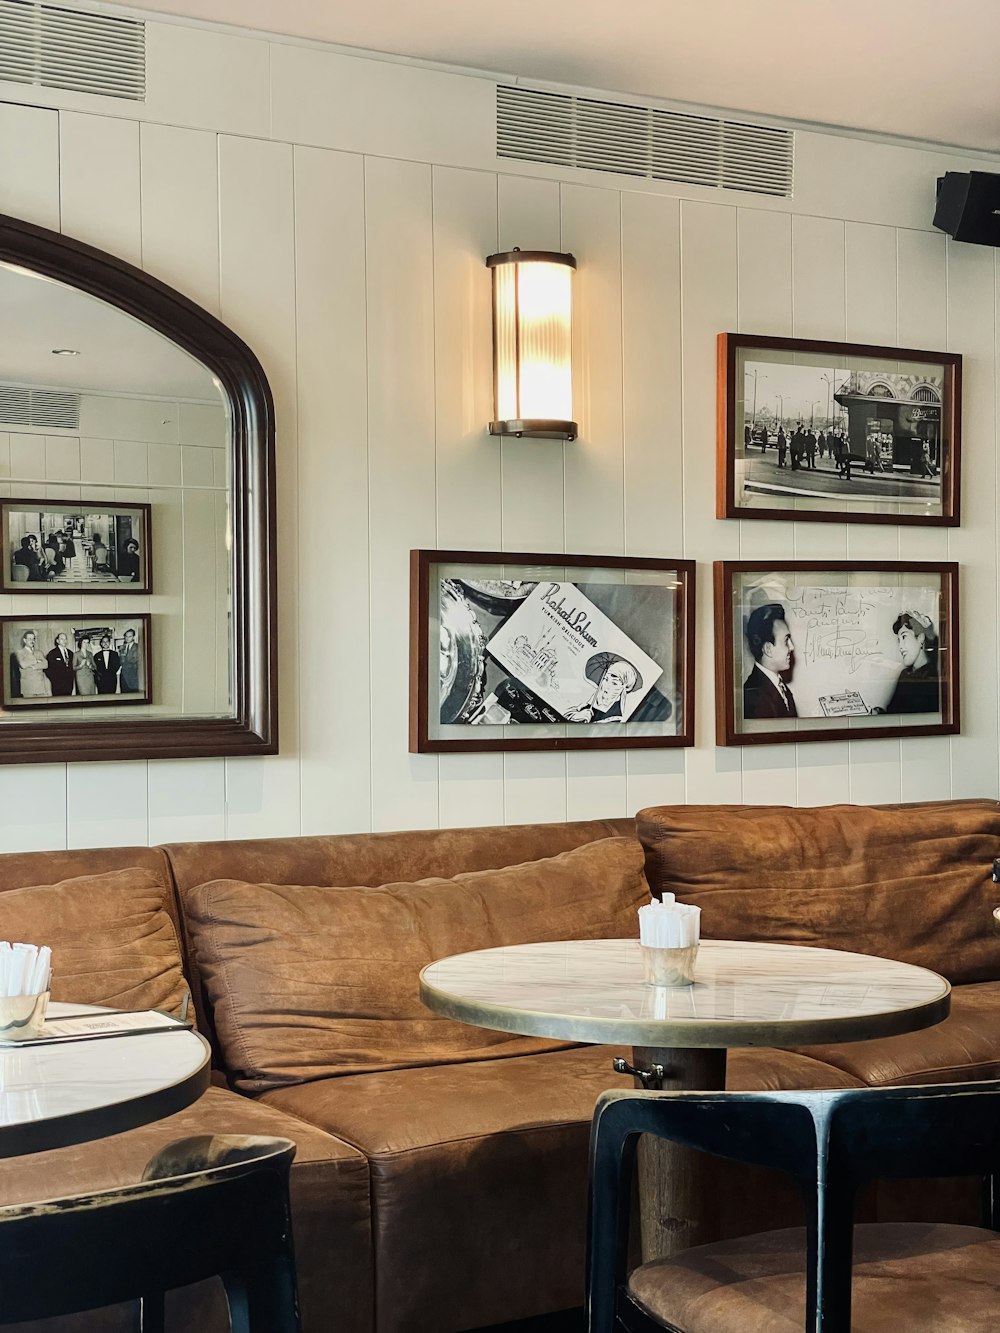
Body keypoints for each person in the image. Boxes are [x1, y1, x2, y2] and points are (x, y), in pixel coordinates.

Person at [743, 603, 797, 719]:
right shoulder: (754, 697)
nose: (792, 647)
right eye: (786, 640)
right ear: (768, 649)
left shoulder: (776, 685)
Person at [885, 611, 939, 714]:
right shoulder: (905, 675)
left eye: (904, 637)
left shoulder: (932, 677)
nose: (900, 646)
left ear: (921, 638)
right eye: (898, 640)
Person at [564, 653, 643, 723]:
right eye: (605, 679)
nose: (607, 686)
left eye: (614, 683)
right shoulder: (590, 704)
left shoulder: (613, 719)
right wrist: (576, 716)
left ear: (623, 688)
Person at [16, 630, 52, 698]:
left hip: (41, 686)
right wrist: (36, 661)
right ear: (24, 640)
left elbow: (46, 664)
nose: (32, 641)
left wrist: (34, 667)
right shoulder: (20, 652)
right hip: (28, 687)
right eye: (30, 639)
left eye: (33, 639)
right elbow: (23, 664)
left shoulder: (39, 652)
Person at [44, 632, 74, 696]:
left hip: (69, 684)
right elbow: (47, 669)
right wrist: (54, 679)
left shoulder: (71, 653)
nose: (64, 641)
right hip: (57, 685)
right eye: (62, 639)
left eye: (65, 639)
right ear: (57, 641)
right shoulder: (52, 653)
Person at [119, 627, 141, 693]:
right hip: (123, 675)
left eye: (130, 636)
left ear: (133, 637)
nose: (127, 638)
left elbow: (135, 660)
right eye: (126, 636)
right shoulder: (122, 647)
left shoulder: (138, 646)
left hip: (133, 675)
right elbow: (121, 661)